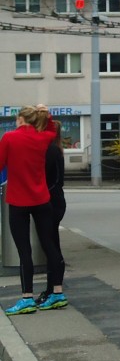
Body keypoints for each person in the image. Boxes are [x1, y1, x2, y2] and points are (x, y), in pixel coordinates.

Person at [1, 106, 67, 315]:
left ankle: (27, 298)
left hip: (18, 201)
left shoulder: (9, 138)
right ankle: (57, 293)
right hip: (42, 200)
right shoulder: (43, 138)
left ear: (21, 119)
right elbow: (51, 129)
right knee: (50, 246)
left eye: (16, 119)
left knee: (24, 251)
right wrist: (47, 114)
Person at [37, 112, 67, 307]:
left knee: (50, 246)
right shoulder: (56, 149)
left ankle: (54, 289)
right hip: (56, 200)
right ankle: (52, 288)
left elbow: (51, 180)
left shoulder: (50, 150)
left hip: (51, 201)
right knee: (51, 244)